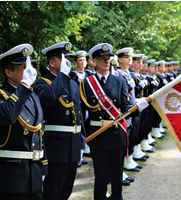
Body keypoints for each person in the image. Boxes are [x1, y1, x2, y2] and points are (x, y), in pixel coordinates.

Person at [79, 43, 149, 200]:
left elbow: (124, 106)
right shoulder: (86, 83)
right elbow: (81, 111)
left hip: (116, 134)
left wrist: (136, 108)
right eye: (102, 59)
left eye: (108, 59)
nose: (106, 61)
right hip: (97, 134)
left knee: (117, 176)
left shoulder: (119, 81)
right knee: (101, 176)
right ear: (94, 61)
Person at [0, 44, 47, 200]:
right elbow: (8, 116)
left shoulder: (32, 96)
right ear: (8, 72)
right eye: (23, 68)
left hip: (33, 176)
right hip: (10, 179)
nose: (29, 71)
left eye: (29, 67)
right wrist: (25, 85)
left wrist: (43, 167)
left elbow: (39, 133)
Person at [33, 42, 86, 200]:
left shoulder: (72, 82)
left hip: (73, 144)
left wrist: (81, 142)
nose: (68, 63)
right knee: (53, 190)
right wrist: (62, 75)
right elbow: (49, 97)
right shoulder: (42, 83)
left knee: (66, 190)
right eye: (64, 59)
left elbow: (78, 114)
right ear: (52, 62)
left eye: (69, 58)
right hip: (56, 146)